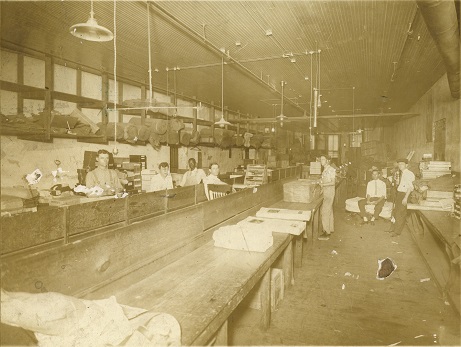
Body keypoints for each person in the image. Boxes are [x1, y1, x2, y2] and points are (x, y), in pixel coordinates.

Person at [386, 158, 415, 237]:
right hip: (399, 193)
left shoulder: (409, 174)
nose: (400, 165)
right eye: (399, 164)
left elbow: (410, 187)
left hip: (405, 194)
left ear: (406, 165)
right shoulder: (400, 173)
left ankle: (397, 232)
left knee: (401, 213)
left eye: (402, 164)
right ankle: (393, 228)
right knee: (395, 211)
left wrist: (405, 198)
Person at [318, 155, 336, 241]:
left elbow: (333, 183)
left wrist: (323, 185)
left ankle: (326, 232)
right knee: (329, 210)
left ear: (328, 160)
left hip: (329, 192)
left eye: (323, 159)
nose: (321, 161)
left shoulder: (331, 170)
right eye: (320, 159)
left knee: (325, 211)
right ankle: (330, 228)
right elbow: (325, 180)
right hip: (326, 191)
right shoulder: (325, 170)